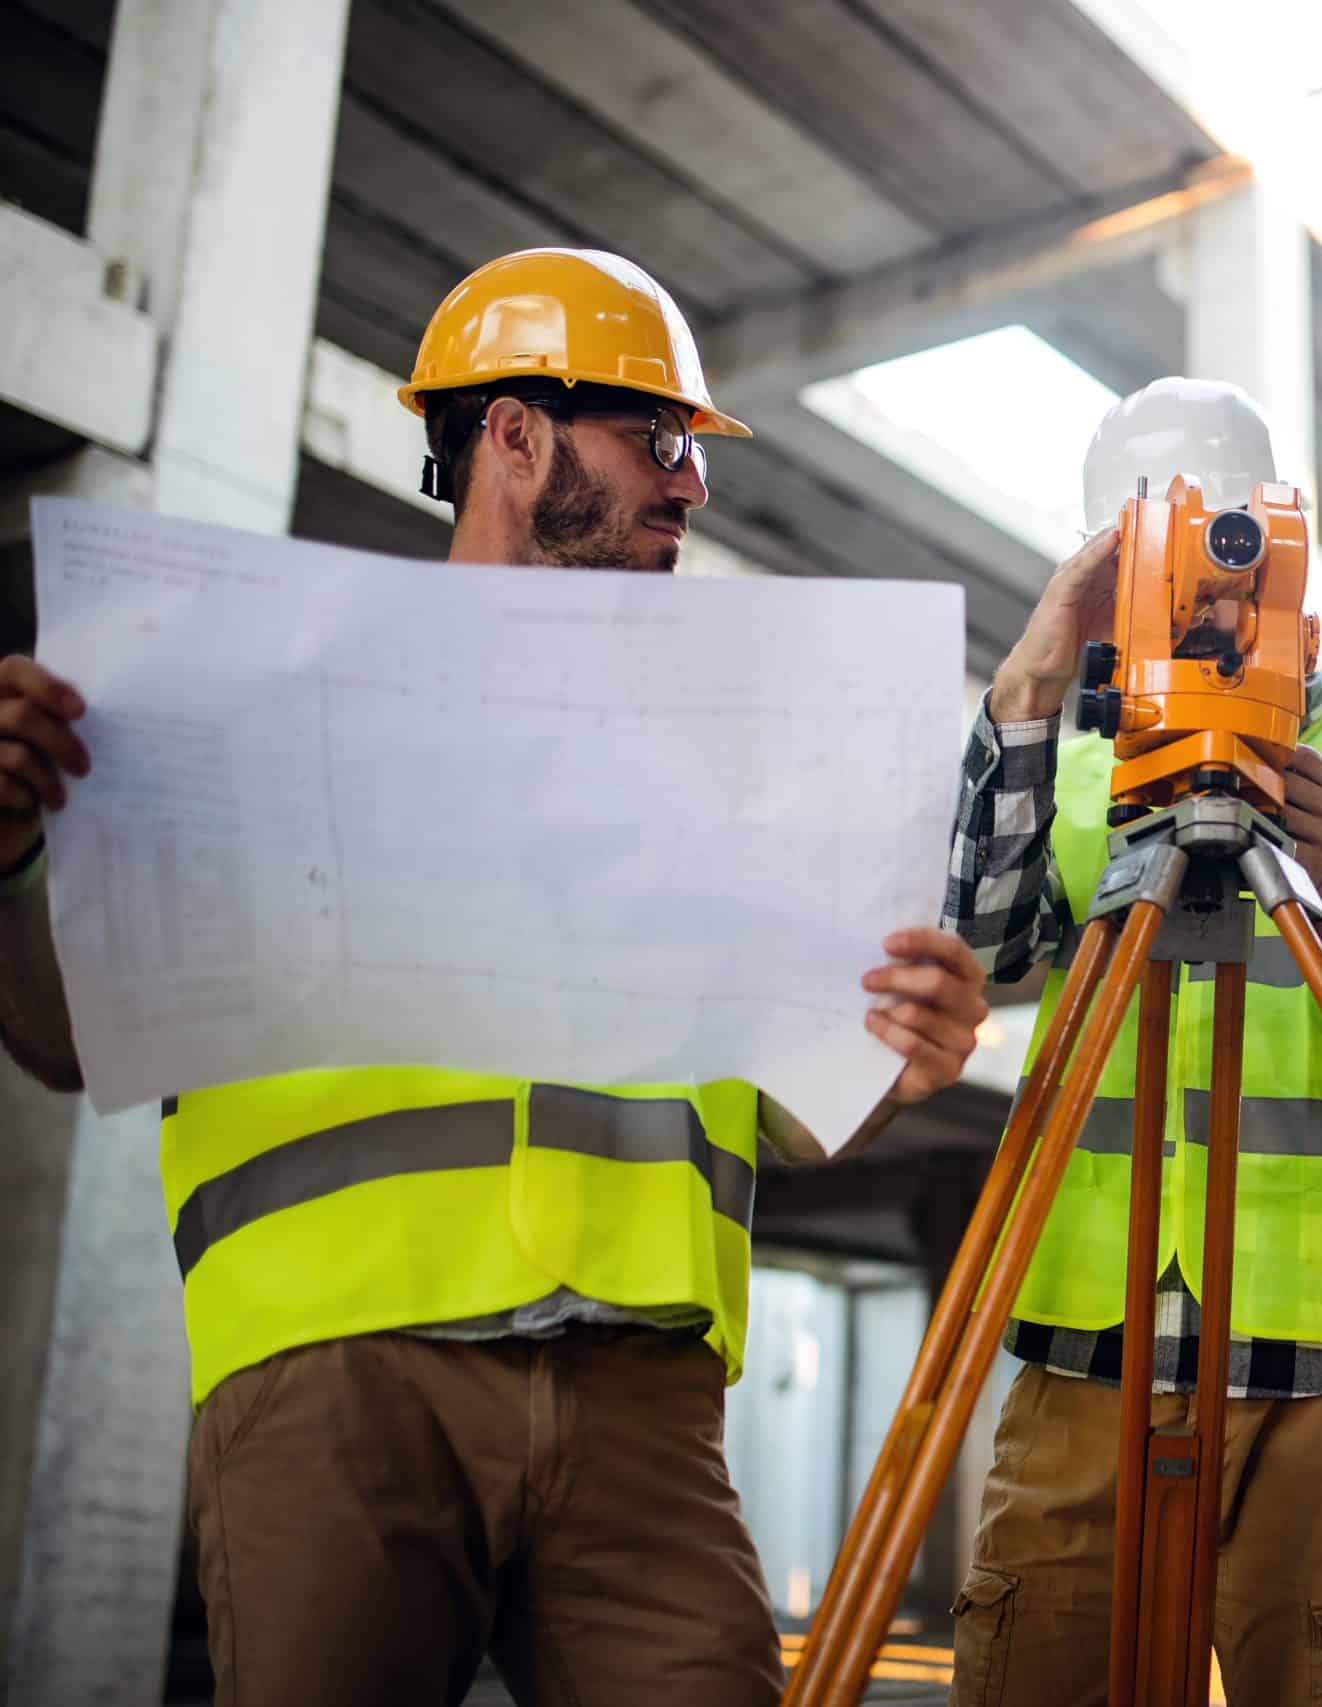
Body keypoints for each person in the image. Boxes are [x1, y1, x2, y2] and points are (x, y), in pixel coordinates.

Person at [0, 247, 990, 1707]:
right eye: (655, 438)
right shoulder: (252, 698)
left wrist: (895, 1065)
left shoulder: (740, 767)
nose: (690, 485)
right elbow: (66, 1035)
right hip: (335, 1371)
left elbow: (778, 1119)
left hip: (642, 1401)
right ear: (513, 436)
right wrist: (16, 856)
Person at [940, 377, 1322, 1706]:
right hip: (1091, 1351)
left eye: (1226, 567)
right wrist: (1026, 690)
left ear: (1293, 583)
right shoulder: (1069, 772)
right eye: (1157, 573)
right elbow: (972, 953)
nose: (1201, 610)